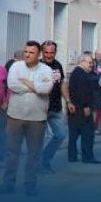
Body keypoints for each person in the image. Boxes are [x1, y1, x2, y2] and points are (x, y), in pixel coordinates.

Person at [0, 41, 53, 197]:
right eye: (26, 52)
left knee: (34, 154)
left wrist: (28, 83)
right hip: (15, 116)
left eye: (31, 52)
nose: (27, 55)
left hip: (37, 118)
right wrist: (35, 87)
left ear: (39, 55)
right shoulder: (16, 66)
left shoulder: (46, 70)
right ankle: (8, 184)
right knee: (11, 152)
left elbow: (46, 89)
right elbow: (12, 85)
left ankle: (30, 185)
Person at [39, 41, 69, 173]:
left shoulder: (58, 65)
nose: (49, 55)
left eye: (51, 52)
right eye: (46, 52)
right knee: (38, 139)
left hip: (56, 108)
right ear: (42, 52)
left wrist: (68, 101)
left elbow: (62, 84)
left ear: (55, 52)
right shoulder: (37, 66)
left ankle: (45, 160)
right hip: (41, 109)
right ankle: (38, 165)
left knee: (61, 135)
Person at [68, 52, 101, 163]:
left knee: (74, 133)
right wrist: (86, 106)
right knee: (88, 133)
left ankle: (72, 156)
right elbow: (82, 92)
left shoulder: (77, 72)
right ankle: (87, 157)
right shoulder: (80, 73)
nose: (91, 65)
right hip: (82, 108)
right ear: (83, 62)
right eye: (90, 62)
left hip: (76, 108)